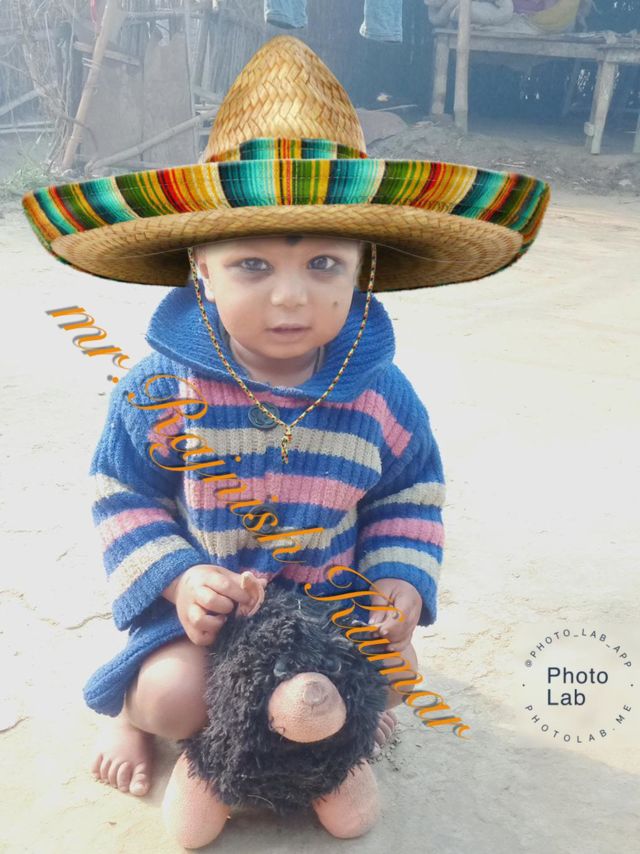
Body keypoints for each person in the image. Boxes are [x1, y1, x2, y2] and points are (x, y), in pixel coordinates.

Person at [21, 35, 549, 806]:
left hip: (326, 618)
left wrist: (397, 581)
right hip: (205, 622)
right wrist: (180, 578)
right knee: (172, 699)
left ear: (364, 266)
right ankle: (134, 720)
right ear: (201, 267)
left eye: (323, 264)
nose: (292, 297)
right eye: (253, 265)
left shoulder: (382, 396)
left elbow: (409, 496)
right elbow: (122, 494)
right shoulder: (160, 388)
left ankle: (318, 730)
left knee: (396, 676)